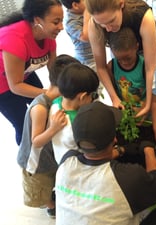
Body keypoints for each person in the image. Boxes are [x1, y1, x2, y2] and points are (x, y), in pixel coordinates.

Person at [55, 101, 156, 225]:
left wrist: (121, 151)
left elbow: (92, 156)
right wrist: (148, 149)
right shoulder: (127, 178)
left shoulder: (65, 163)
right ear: (115, 138)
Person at [17, 54, 80, 218]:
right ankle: (51, 207)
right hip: (35, 163)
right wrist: (53, 128)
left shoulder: (56, 101)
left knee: (51, 179)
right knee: (41, 186)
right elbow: (36, 141)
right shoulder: (40, 107)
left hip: (49, 158)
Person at [0, 0, 63, 145]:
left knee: (46, 109)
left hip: (23, 73)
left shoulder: (48, 37)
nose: (61, 27)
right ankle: (26, 162)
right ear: (37, 20)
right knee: (24, 125)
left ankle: (47, 148)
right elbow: (15, 86)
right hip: (4, 85)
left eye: (61, 21)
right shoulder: (15, 40)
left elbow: (54, 71)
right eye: (56, 22)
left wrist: (65, 87)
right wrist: (48, 93)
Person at [85, 0, 156, 118]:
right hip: (120, 48)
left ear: (121, 5)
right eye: (102, 24)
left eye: (111, 21)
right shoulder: (94, 24)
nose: (108, 29)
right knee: (123, 87)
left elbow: (151, 69)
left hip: (146, 48)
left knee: (152, 98)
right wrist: (115, 99)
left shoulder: (144, 16)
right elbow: (101, 67)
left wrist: (148, 104)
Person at [50, 62, 99, 164]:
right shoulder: (78, 122)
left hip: (60, 161)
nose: (93, 99)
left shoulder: (56, 103)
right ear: (83, 96)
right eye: (93, 95)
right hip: (77, 166)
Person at [107, 27, 146, 113]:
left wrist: (144, 106)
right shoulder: (111, 66)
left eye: (128, 58)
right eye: (119, 59)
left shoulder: (144, 65)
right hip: (124, 109)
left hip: (144, 108)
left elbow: (153, 90)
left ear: (136, 46)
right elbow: (113, 89)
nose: (124, 62)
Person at [60, 0, 96, 71]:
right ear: (75, 5)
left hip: (96, 53)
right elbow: (85, 37)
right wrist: (87, 15)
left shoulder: (86, 10)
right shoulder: (70, 21)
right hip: (86, 60)